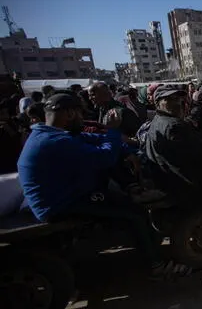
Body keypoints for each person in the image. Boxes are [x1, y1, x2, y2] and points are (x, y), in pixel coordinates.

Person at [17, 93, 188, 278]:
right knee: (135, 212)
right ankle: (158, 265)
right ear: (69, 114)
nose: (82, 118)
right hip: (60, 203)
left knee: (117, 173)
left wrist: (129, 152)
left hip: (66, 191)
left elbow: (95, 140)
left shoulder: (51, 133)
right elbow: (104, 157)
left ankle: (135, 199)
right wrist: (112, 130)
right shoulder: (54, 142)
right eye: (80, 113)